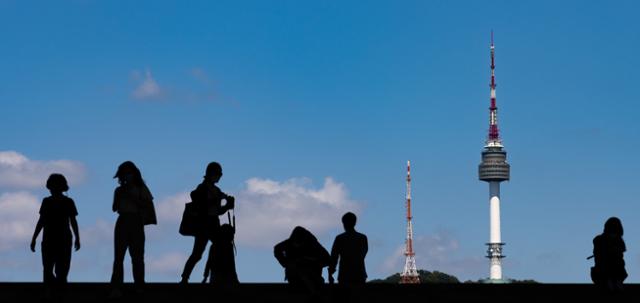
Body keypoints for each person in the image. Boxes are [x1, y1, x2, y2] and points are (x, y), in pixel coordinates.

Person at [180, 162, 235, 284]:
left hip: (213, 222)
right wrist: (222, 202)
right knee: (198, 253)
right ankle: (185, 277)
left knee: (219, 247)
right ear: (212, 174)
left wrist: (227, 206)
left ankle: (213, 276)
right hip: (204, 224)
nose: (220, 177)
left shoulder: (216, 190)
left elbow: (217, 211)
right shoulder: (202, 188)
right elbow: (202, 204)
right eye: (218, 174)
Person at [109, 161, 156, 297]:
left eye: (129, 173)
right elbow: (114, 208)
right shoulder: (118, 190)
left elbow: (148, 205)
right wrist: (120, 196)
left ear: (134, 174)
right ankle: (116, 287)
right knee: (119, 257)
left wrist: (133, 198)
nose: (127, 176)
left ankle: (139, 285)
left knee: (137, 257)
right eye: (125, 174)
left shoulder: (141, 188)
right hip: (122, 220)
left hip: (136, 221)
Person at [30, 173, 80, 296]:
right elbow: (41, 221)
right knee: (51, 269)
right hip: (52, 239)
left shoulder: (66, 202)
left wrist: (77, 238)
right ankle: (53, 292)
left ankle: (56, 292)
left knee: (59, 270)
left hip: (59, 239)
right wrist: (34, 237)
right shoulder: (49, 201)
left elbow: (73, 221)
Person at [274, 226, 330, 296]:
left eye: (299, 244)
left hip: (312, 275)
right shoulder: (288, 243)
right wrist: (285, 263)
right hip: (296, 276)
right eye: (296, 244)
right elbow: (277, 249)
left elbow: (328, 259)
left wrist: (310, 260)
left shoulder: (313, 244)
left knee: (303, 270)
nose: (297, 246)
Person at [329, 212, 368, 285]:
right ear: (355, 223)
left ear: (343, 223)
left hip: (344, 275)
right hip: (360, 274)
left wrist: (330, 272)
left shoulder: (339, 238)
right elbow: (362, 255)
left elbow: (334, 257)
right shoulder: (362, 238)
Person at [591, 216, 627, 292]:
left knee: (617, 262)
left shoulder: (618, 241)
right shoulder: (599, 240)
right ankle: (611, 281)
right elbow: (599, 258)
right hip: (602, 272)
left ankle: (614, 281)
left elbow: (620, 254)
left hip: (614, 273)